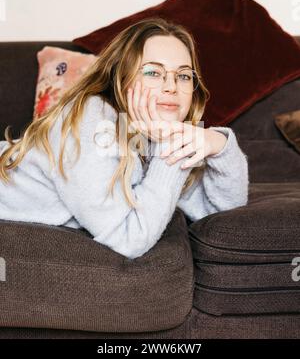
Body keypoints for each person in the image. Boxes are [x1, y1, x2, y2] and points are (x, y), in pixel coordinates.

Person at [0, 17, 249, 259]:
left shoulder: (153, 134)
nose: (171, 86)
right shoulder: (91, 119)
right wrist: (170, 147)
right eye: (153, 72)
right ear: (121, 78)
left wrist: (220, 146)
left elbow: (221, 213)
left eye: (183, 75)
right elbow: (129, 238)